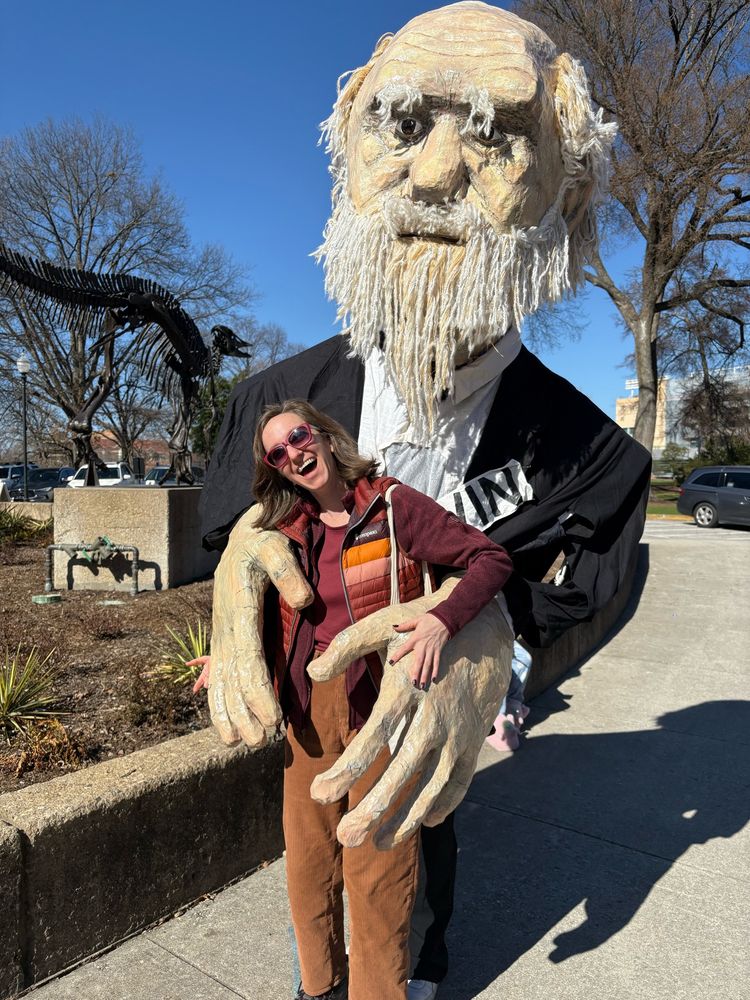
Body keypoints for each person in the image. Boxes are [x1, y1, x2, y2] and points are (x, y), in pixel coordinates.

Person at [199, 6, 652, 998]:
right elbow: (211, 535)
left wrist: (501, 639)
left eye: (494, 133)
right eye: (403, 124)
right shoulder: (271, 403)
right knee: (319, 858)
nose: (440, 172)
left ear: (569, 188)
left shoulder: (595, 454)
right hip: (321, 699)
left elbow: (603, 586)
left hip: (436, 706)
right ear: (344, 155)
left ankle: (421, 971)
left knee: (421, 844)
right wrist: (243, 545)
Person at [197, 399, 513, 1000]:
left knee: (379, 869)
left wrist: (442, 620)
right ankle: (317, 988)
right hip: (306, 715)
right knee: (309, 864)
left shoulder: (392, 505)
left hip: (381, 712)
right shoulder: (288, 524)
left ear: (322, 435)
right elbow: (269, 609)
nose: (293, 453)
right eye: (278, 453)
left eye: (297, 437)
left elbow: (489, 559)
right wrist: (226, 654)